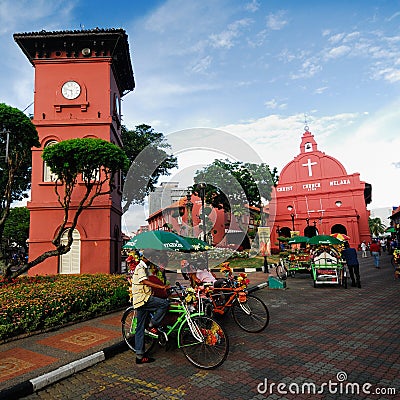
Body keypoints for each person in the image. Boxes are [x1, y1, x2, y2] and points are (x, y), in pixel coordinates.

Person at [132, 250, 170, 364]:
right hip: (142, 299)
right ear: (147, 258)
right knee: (164, 304)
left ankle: (139, 356)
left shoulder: (144, 268)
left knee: (139, 328)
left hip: (141, 300)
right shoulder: (140, 268)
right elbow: (145, 281)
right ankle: (152, 323)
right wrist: (161, 287)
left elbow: (149, 280)